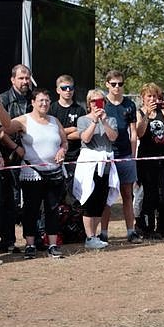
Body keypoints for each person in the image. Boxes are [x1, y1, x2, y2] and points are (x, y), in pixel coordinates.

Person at [0, 89, 67, 259]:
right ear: (33, 102)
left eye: (47, 100)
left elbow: (64, 141)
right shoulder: (24, 120)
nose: (44, 104)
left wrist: (62, 150)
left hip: (54, 172)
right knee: (31, 209)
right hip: (32, 172)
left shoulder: (54, 121)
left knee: (52, 209)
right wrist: (15, 147)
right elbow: (4, 129)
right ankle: (30, 245)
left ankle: (52, 244)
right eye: (41, 100)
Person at [100, 70, 143, 243]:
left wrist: (132, 156)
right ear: (107, 84)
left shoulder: (129, 104)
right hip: (108, 154)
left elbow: (133, 132)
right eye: (114, 84)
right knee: (107, 195)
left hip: (125, 154)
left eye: (120, 84)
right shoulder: (102, 104)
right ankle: (103, 232)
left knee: (127, 194)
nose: (117, 87)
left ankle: (130, 231)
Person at [73, 89, 119, 249]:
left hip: (105, 164)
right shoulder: (82, 120)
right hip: (89, 165)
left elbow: (113, 137)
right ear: (88, 104)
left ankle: (94, 234)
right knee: (89, 200)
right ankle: (89, 236)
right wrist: (94, 121)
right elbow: (85, 138)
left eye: (100, 101)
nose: (96, 104)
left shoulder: (111, 119)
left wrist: (104, 121)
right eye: (93, 101)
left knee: (101, 200)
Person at [135, 83, 164, 239]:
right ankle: (146, 227)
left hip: (163, 159)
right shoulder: (140, 113)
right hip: (147, 160)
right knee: (150, 195)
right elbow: (139, 133)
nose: (152, 99)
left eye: (155, 96)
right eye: (149, 96)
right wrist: (147, 115)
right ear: (143, 98)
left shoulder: (163, 113)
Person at [0, 64, 33, 251]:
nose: (24, 81)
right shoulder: (3, 99)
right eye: (21, 78)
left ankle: (34, 239)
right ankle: (8, 241)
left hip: (32, 155)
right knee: (9, 199)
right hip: (9, 154)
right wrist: (16, 147)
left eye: (27, 78)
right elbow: (1, 131)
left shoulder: (34, 99)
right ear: (12, 80)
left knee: (33, 198)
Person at [48, 74, 87, 199]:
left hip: (74, 156)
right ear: (58, 90)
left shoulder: (80, 110)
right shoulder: (51, 109)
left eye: (71, 88)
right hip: (54, 157)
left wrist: (60, 133)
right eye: (64, 88)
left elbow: (81, 134)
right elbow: (50, 132)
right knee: (55, 195)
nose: (68, 91)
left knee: (74, 194)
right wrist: (71, 129)